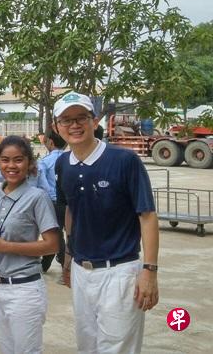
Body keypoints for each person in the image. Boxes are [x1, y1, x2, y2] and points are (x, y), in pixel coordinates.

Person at [54, 91, 159, 353]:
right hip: (81, 271)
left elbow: (147, 216)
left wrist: (149, 271)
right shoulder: (63, 164)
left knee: (117, 348)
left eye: (81, 117)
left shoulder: (125, 161)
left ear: (95, 120)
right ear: (56, 127)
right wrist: (68, 258)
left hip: (120, 272)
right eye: (66, 120)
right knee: (87, 346)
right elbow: (71, 211)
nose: (74, 125)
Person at [0, 135, 59, 354]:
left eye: (18, 160)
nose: (11, 166)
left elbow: (53, 245)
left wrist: (7, 247)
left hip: (25, 289)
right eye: (5, 160)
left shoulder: (37, 197)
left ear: (29, 163)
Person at [37, 131, 68, 274]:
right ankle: (45, 264)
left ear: (51, 142)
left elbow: (43, 185)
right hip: (71, 202)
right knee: (69, 233)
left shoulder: (45, 161)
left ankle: (64, 265)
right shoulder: (71, 158)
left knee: (55, 234)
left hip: (54, 202)